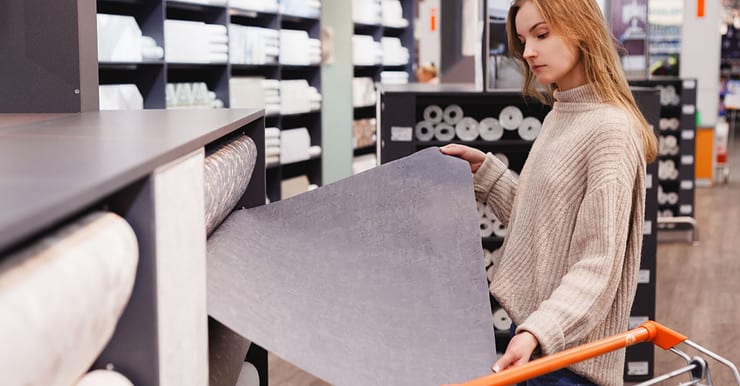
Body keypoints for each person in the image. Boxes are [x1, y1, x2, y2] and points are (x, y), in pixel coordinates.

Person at [440, 0, 657, 385]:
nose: (528, 52)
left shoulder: (611, 129)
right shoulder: (561, 113)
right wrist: (487, 174)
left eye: (541, 34)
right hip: (539, 339)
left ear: (582, 29)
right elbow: (545, 223)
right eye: (523, 40)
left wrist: (538, 331)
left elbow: (597, 264)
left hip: (571, 362)